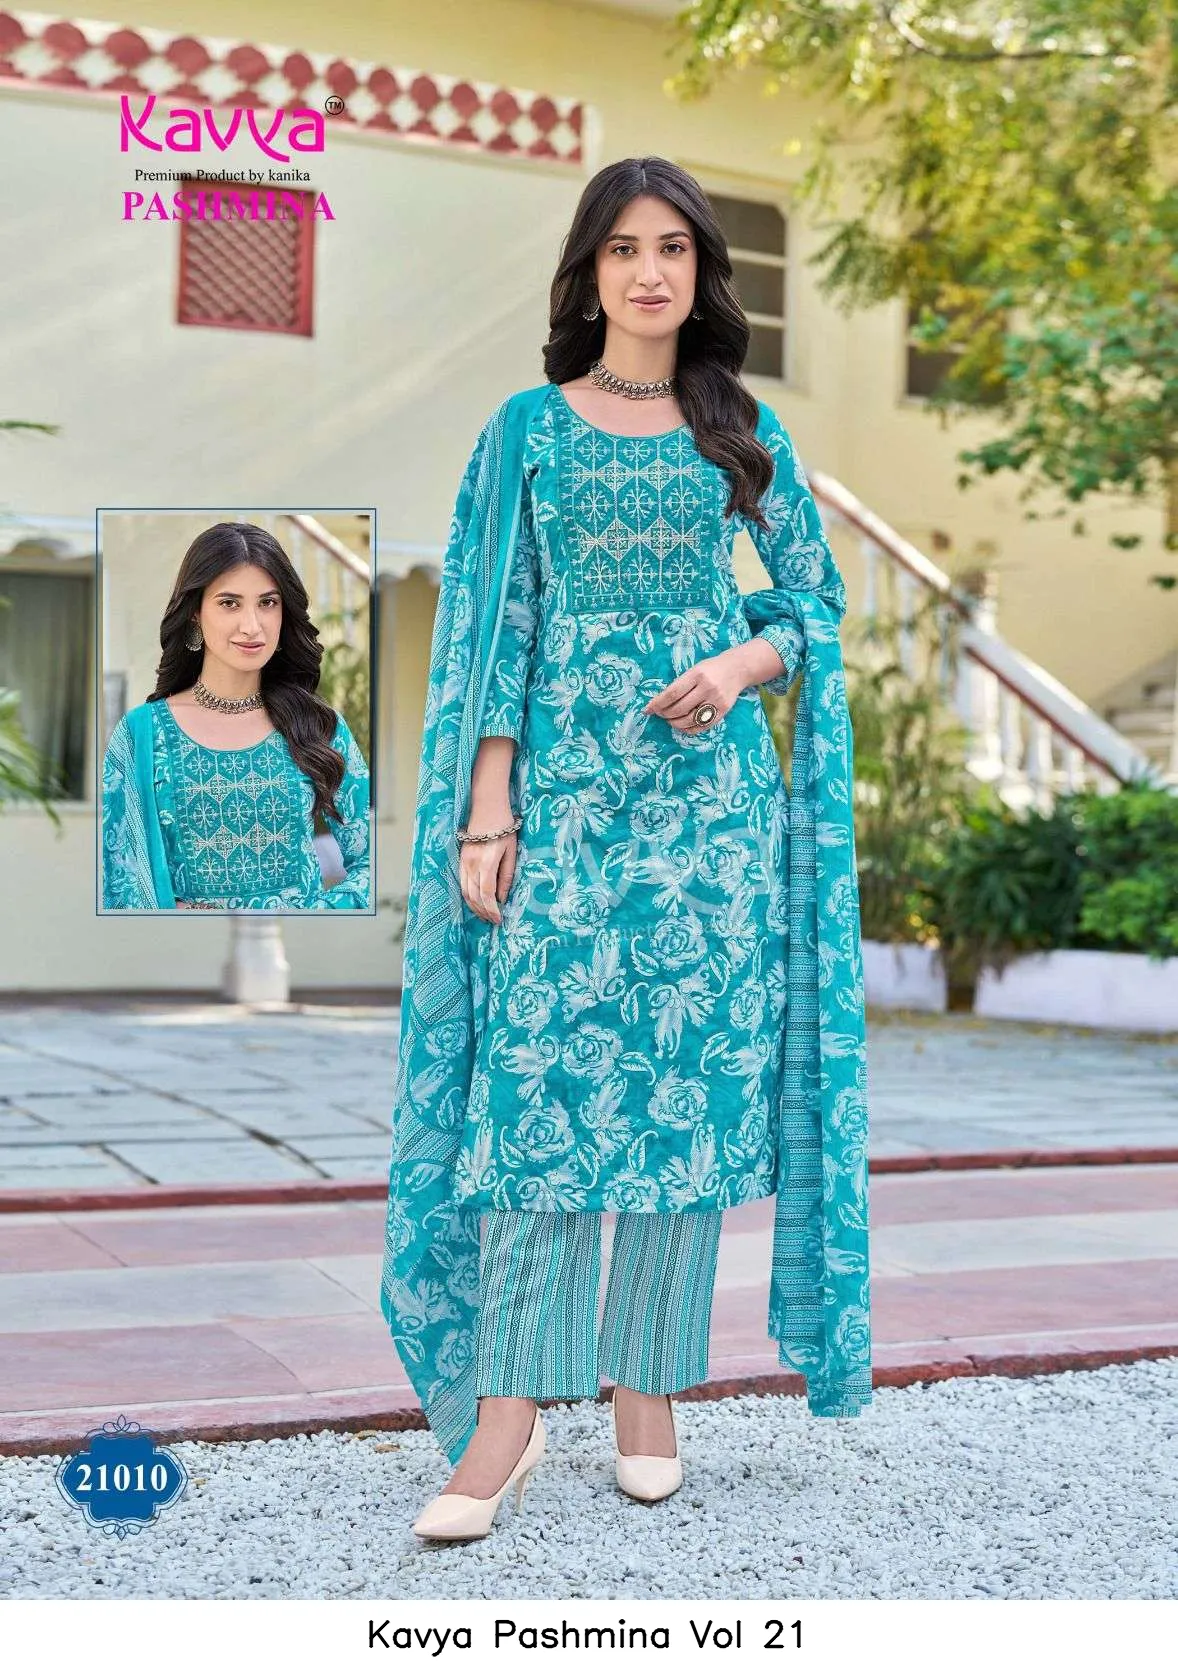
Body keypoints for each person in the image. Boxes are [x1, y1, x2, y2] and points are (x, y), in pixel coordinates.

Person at [382, 156, 870, 1542]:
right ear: (586, 272)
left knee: (679, 1088)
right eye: (621, 248)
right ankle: (509, 1412)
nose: (647, 271)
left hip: (707, 819)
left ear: (700, 273)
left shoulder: (740, 429)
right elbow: (497, 620)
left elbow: (814, 603)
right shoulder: (526, 430)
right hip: (562, 807)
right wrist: (489, 807)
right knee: (532, 1080)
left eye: (671, 248)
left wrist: (737, 661)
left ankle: (647, 1388)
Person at [101, 520, 371, 911]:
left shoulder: (318, 728)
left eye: (268, 603)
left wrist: (312, 915)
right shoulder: (141, 735)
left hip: (295, 945)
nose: (252, 626)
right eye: (229, 603)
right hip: (185, 948)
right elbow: (116, 874)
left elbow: (375, 864)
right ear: (195, 614)